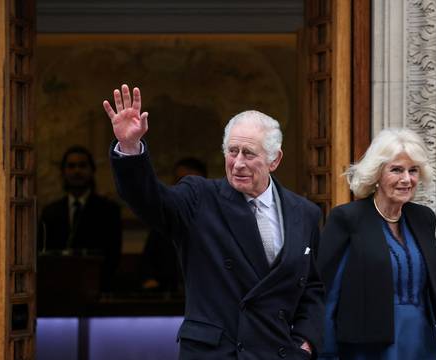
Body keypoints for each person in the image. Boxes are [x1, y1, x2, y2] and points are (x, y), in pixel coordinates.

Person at [103, 84, 324, 359]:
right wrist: (129, 147)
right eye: (232, 151)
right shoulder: (199, 198)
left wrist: (305, 342)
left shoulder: (304, 213)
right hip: (218, 352)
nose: (238, 163)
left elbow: (312, 287)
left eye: (249, 153)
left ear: (274, 160)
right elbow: (151, 201)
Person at [316, 128, 436, 360]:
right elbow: (328, 295)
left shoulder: (423, 219)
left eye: (413, 170)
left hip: (421, 342)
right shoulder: (348, 219)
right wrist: (326, 354)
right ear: (377, 174)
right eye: (396, 170)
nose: (406, 179)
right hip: (368, 348)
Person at [38, 145, 122, 290]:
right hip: (57, 288)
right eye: (71, 166)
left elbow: (113, 256)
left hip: (96, 288)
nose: (77, 171)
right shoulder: (50, 212)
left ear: (92, 171)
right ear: (63, 172)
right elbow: (43, 253)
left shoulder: (109, 211)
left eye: (82, 166)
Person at [140, 157, 208, 292]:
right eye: (180, 182)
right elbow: (147, 263)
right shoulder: (163, 220)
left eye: (192, 184)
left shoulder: (217, 220)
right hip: (166, 296)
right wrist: (149, 280)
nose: (185, 190)